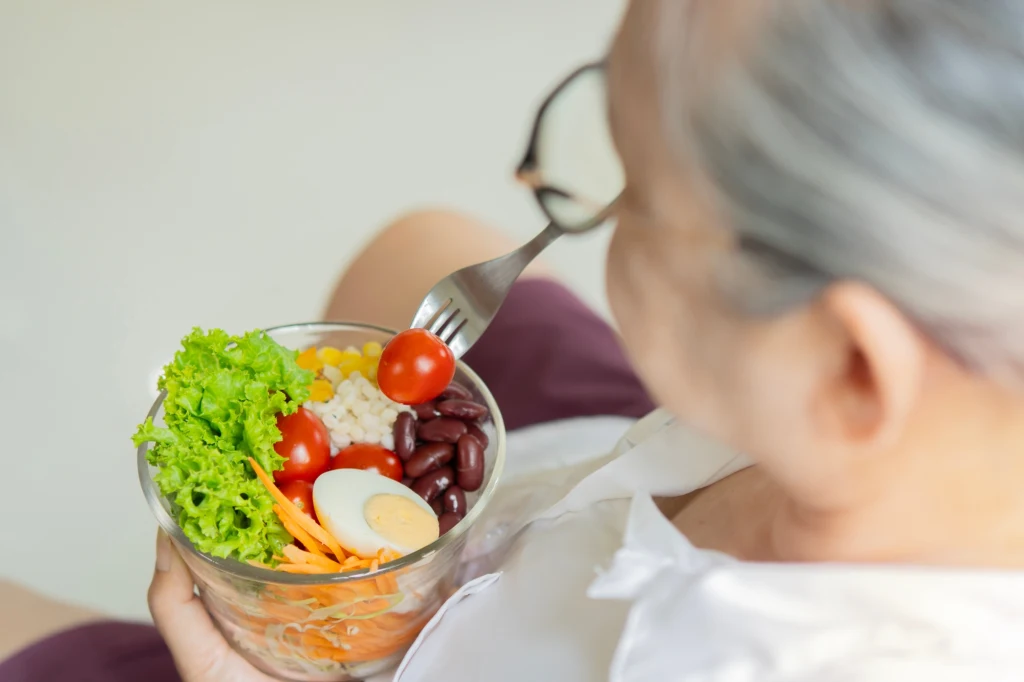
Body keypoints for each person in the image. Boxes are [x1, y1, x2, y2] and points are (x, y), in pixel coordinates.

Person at [5, 0, 1024, 679]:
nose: (540, 196)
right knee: (418, 244)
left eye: (636, 197)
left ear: (847, 372)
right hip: (596, 484)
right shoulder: (921, 434)